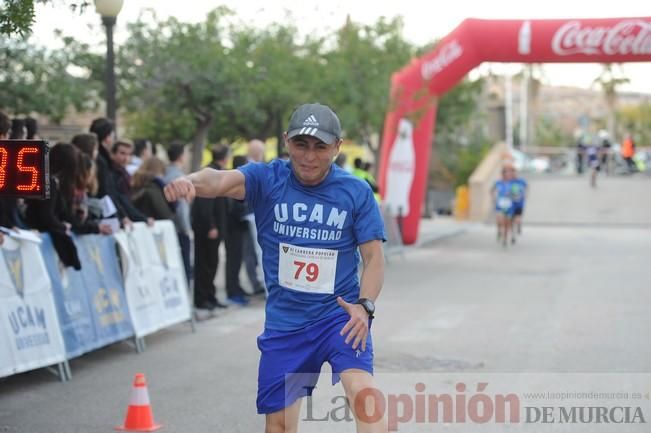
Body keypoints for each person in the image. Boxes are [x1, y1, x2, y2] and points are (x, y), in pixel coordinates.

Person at [165, 103, 388, 433]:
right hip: (286, 322)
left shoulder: (355, 192)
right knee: (279, 424)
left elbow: (373, 258)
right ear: (286, 142)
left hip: (339, 317)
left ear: (337, 147)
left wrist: (364, 306)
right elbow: (220, 179)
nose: (309, 157)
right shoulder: (266, 179)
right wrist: (189, 181)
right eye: (301, 145)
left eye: (320, 147)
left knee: (363, 396)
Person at [190, 145, 229, 314]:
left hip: (214, 227)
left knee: (212, 264)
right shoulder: (211, 174)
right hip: (207, 229)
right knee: (204, 264)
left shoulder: (217, 172)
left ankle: (210, 296)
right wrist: (211, 225)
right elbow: (205, 204)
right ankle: (201, 299)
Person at [164, 142, 193, 283]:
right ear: (181, 156)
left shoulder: (166, 173)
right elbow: (180, 205)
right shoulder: (177, 176)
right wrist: (186, 228)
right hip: (179, 229)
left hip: (172, 227)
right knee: (184, 269)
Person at [492, 163, 516, 246]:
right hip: (500, 204)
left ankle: (505, 239)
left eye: (509, 173)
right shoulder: (498, 183)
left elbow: (515, 193)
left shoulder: (512, 183)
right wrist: (494, 197)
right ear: (503, 174)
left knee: (507, 223)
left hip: (509, 205)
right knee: (500, 221)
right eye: (505, 173)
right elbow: (492, 191)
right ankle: (499, 230)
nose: (507, 175)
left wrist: (513, 195)